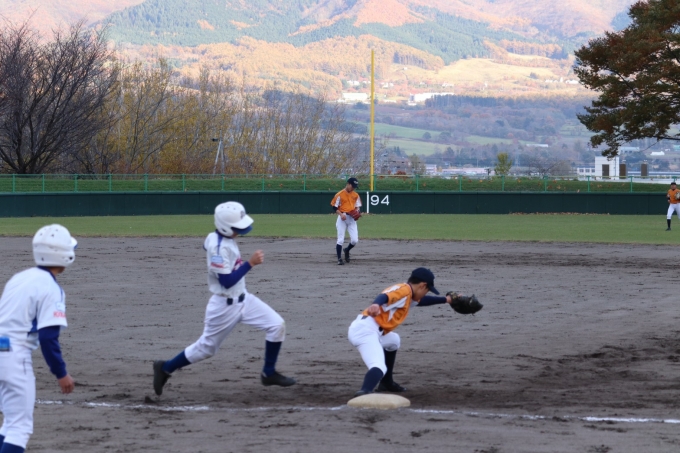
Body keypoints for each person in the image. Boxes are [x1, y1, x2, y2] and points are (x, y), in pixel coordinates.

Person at [153, 201, 296, 396]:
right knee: (206, 348)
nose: (240, 231)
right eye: (236, 227)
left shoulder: (216, 238)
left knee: (277, 325)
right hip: (224, 306)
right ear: (225, 227)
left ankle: (268, 373)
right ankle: (165, 368)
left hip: (244, 299)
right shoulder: (219, 248)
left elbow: (207, 244)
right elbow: (227, 281)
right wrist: (250, 263)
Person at [0, 225, 77, 453]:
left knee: (11, 422)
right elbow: (48, 337)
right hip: (14, 356)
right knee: (20, 428)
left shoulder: (20, 278)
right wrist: (61, 373)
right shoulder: (51, 288)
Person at [347, 267, 454, 397]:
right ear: (422, 286)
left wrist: (446, 300)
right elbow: (385, 296)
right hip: (365, 331)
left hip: (372, 330)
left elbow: (421, 301)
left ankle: (386, 382)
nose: (425, 294)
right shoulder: (403, 290)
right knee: (379, 366)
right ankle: (364, 392)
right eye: (427, 290)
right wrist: (376, 304)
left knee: (394, 340)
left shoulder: (408, 295)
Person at [331, 177, 362, 265]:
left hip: (351, 219)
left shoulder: (355, 195)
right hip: (342, 218)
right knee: (340, 239)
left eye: (355, 187)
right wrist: (341, 214)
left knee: (354, 240)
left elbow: (357, 206)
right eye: (352, 186)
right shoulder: (339, 194)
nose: (353, 188)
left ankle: (347, 250)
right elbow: (334, 207)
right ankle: (339, 259)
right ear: (348, 184)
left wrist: (357, 211)